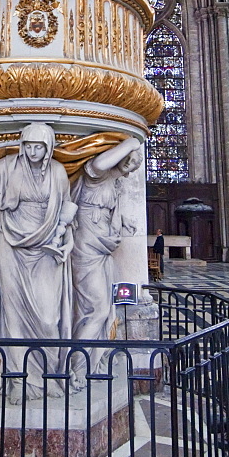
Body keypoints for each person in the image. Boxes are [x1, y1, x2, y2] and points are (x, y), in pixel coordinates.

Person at [0, 123, 77, 403]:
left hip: (46, 248)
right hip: (11, 244)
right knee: (15, 317)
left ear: (48, 148)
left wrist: (67, 241)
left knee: (48, 317)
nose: (33, 151)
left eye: (39, 147)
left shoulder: (57, 171)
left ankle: (48, 377)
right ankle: (19, 379)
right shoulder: (9, 166)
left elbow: (67, 208)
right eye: (29, 146)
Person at [70, 136, 142, 383]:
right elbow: (99, 165)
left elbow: (110, 210)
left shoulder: (114, 183)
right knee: (97, 308)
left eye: (134, 166)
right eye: (128, 161)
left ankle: (91, 360)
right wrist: (132, 142)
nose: (129, 167)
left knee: (97, 309)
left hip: (102, 249)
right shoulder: (98, 174)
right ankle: (77, 366)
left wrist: (123, 221)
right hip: (85, 247)